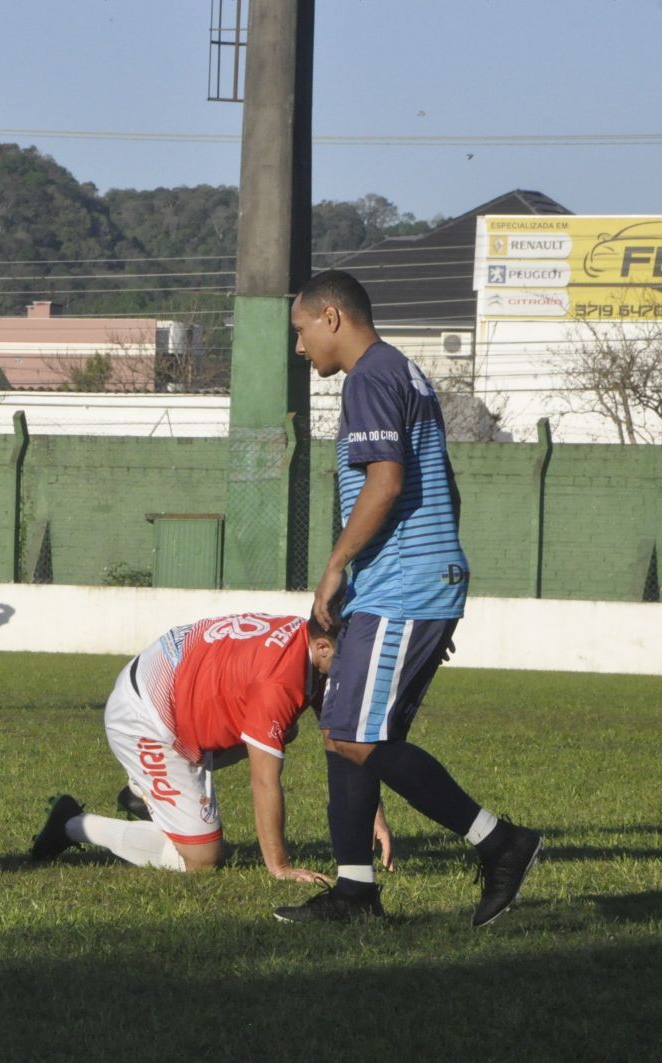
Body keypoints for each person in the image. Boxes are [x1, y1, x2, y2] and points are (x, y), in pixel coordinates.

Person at [275, 269, 541, 926]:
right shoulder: (404, 373)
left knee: (363, 738)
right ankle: (355, 892)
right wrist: (441, 583)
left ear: (331, 316)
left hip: (400, 587)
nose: (300, 348)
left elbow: (388, 483)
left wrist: (339, 564)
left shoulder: (370, 376)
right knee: (344, 733)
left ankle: (501, 843)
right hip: (408, 586)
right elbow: (443, 488)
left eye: (301, 331)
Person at [31, 613, 389, 880]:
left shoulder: (306, 637)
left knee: (284, 731)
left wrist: (372, 812)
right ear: (323, 647)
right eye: (352, 658)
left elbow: (339, 738)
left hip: (168, 690)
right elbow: (264, 781)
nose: (357, 668)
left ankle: (144, 792)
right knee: (201, 859)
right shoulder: (278, 683)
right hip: (145, 718)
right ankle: (71, 824)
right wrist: (280, 867)